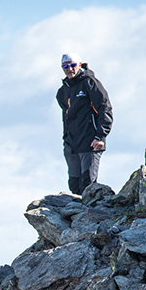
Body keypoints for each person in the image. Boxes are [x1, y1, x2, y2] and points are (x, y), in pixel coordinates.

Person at [56, 52, 113, 195]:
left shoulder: (90, 82)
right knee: (74, 186)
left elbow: (104, 107)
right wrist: (66, 140)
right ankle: (78, 216)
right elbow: (66, 117)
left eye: (73, 65)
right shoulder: (63, 91)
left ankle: (94, 215)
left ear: (80, 65)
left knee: (88, 185)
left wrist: (100, 136)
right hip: (72, 144)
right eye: (65, 66)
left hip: (90, 141)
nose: (69, 69)